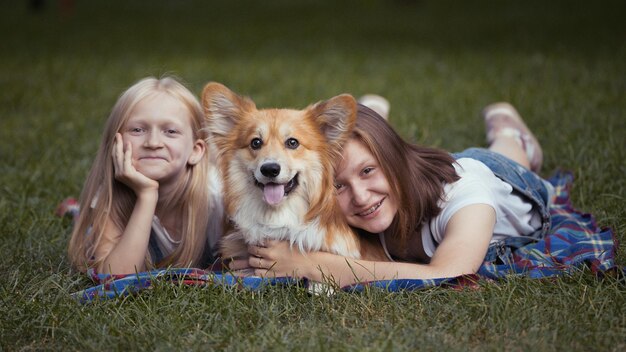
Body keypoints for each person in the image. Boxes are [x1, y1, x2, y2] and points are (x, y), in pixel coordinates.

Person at [231, 99, 554, 286]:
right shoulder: (364, 200)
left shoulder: (467, 196)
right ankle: (371, 113)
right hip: (412, 172)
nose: (360, 197)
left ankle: (508, 127)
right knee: (359, 150)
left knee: (508, 151)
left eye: (368, 171)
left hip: (499, 173)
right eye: (339, 185)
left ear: (392, 159)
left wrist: (312, 265)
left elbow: (450, 276)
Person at [67, 77, 223, 275]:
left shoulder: (218, 197)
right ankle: (78, 211)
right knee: (91, 229)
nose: (153, 142)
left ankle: (76, 209)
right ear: (116, 142)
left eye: (171, 131)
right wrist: (147, 195)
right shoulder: (113, 195)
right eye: (138, 130)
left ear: (196, 150)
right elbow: (115, 277)